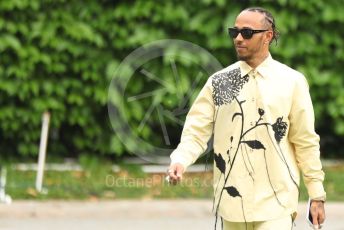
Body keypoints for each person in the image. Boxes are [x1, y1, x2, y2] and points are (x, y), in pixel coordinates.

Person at [167, 7, 326, 230]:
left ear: (268, 36)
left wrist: (316, 193)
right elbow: (196, 131)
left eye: (247, 33)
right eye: (235, 32)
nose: (239, 38)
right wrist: (180, 160)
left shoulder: (292, 81)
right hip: (232, 200)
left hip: (277, 201)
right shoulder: (219, 82)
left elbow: (305, 140)